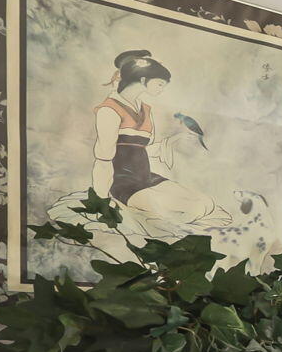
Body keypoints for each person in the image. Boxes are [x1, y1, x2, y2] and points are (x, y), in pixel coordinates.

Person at [90, 49, 229, 230]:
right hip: (122, 184)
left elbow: (141, 149)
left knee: (206, 202)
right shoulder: (109, 110)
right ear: (142, 80)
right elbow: (103, 159)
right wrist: (101, 201)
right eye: (160, 84)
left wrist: (173, 141)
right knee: (192, 208)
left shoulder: (146, 109)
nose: (162, 89)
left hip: (147, 177)